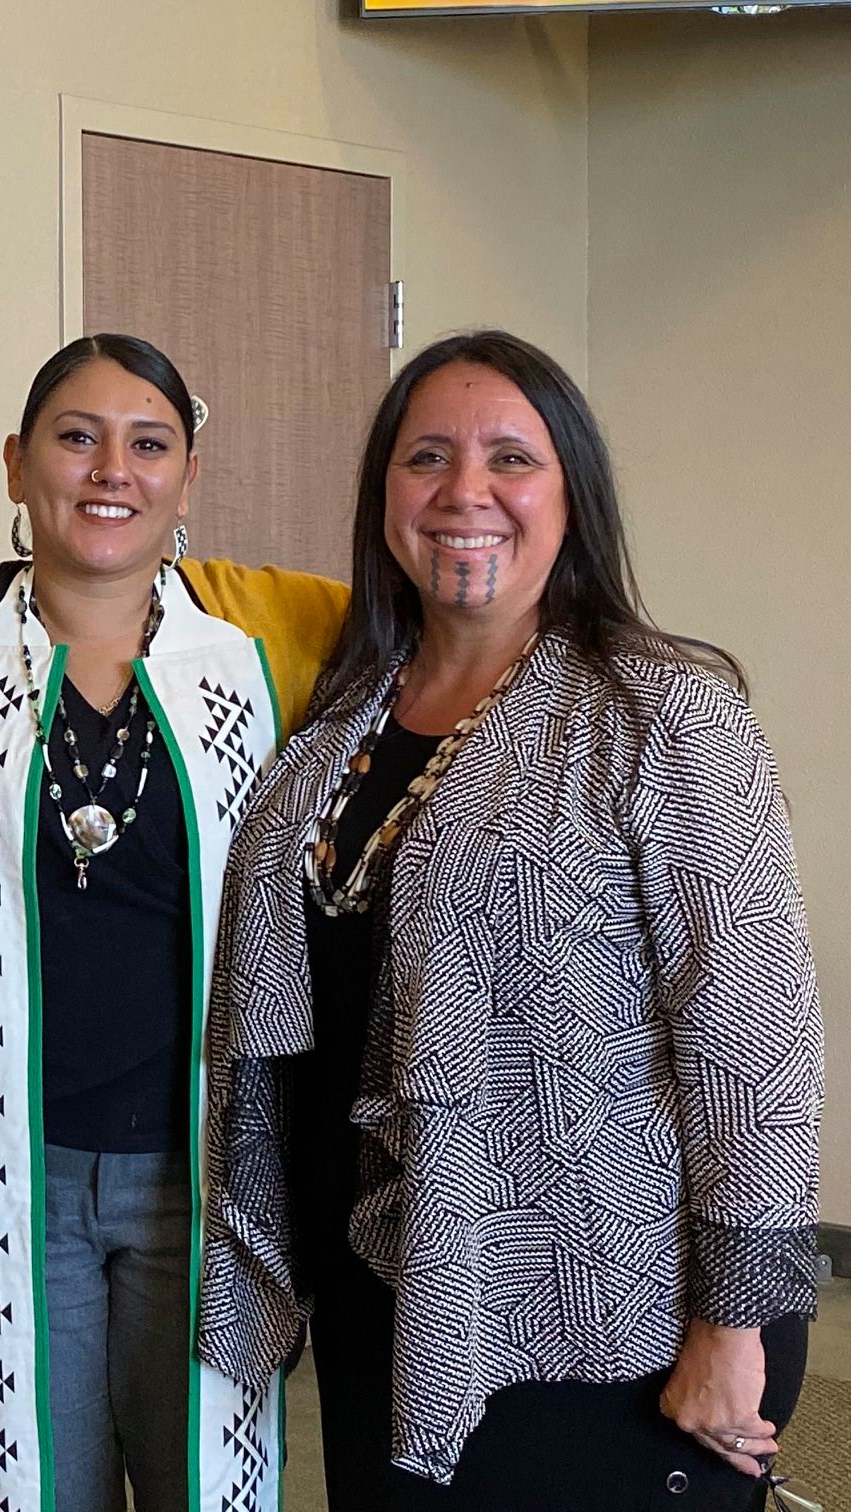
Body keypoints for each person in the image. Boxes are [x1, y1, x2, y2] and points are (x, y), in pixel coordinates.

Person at [199, 330, 822, 1511]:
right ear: (385, 493)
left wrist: (737, 1323)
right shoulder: (338, 727)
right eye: (427, 457)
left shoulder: (663, 717)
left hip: (603, 1320)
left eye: (510, 459)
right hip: (393, 1287)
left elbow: (755, 1043)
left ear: (573, 494)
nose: (464, 492)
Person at [0, 333, 348, 1512]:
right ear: (17, 463)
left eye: (149, 444)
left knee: (207, 1485)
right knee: (37, 1489)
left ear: (188, 478)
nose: (113, 469)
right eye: (77, 437)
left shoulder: (284, 632)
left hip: (206, 1172)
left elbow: (454, 655)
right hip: (14, 1169)